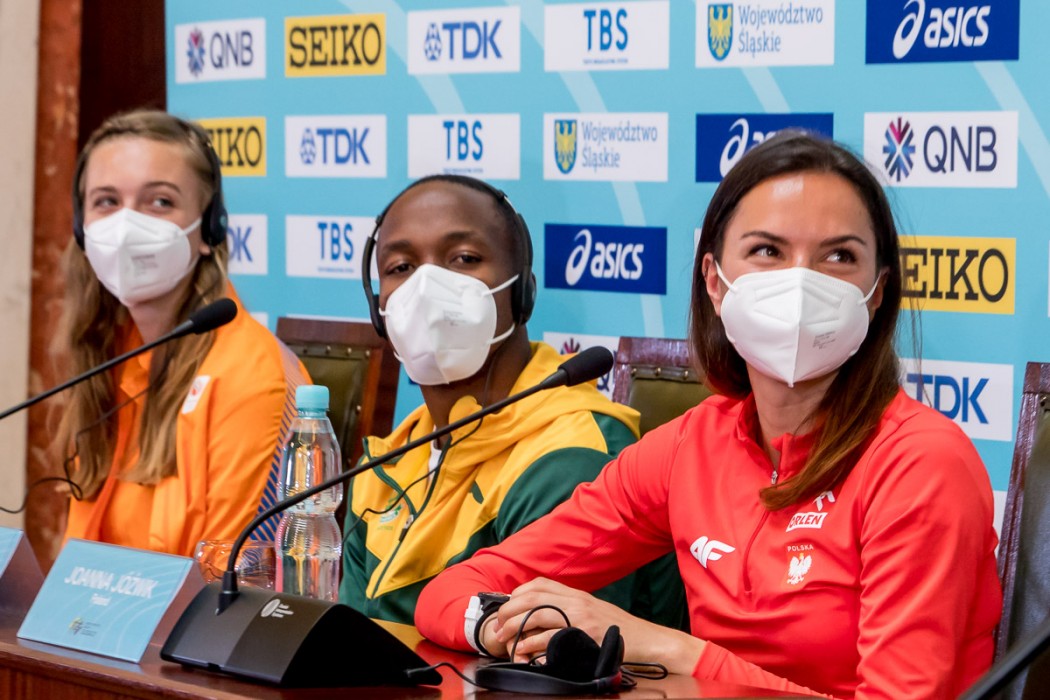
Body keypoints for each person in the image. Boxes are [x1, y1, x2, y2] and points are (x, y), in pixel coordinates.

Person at [414, 134, 1002, 699]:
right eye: (767, 251)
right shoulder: (689, 447)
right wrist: (499, 625)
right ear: (715, 283)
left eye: (839, 256)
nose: (801, 281)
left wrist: (674, 650)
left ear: (877, 292)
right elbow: (452, 592)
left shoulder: (921, 463)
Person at [340, 175, 681, 627]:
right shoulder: (387, 464)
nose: (426, 288)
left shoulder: (571, 457)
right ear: (378, 308)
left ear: (522, 291)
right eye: (400, 267)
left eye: (464, 259)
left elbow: (535, 654)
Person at [59, 110, 308, 557]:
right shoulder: (110, 355)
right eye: (107, 201)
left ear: (209, 228)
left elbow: (229, 579)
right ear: (82, 229)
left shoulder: (252, 378)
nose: (126, 227)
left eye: (160, 202)